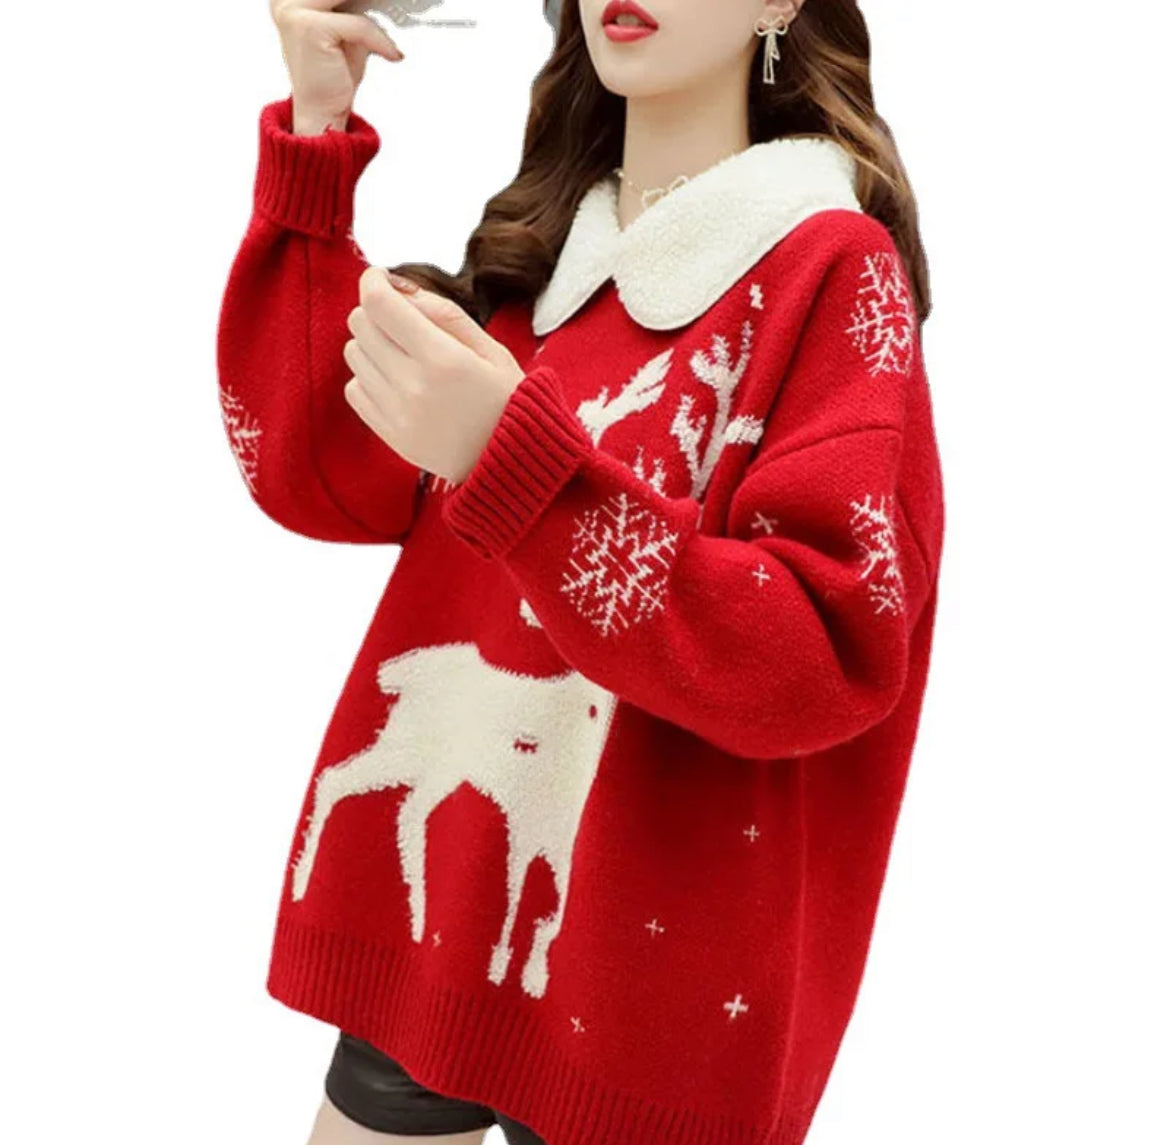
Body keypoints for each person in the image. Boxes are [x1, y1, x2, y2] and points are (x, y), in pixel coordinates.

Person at [215, 2, 946, 1144]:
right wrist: (317, 128)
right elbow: (310, 464)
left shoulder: (831, 272)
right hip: (439, 915)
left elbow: (822, 649)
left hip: (644, 987)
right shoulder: (545, 264)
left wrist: (516, 466)